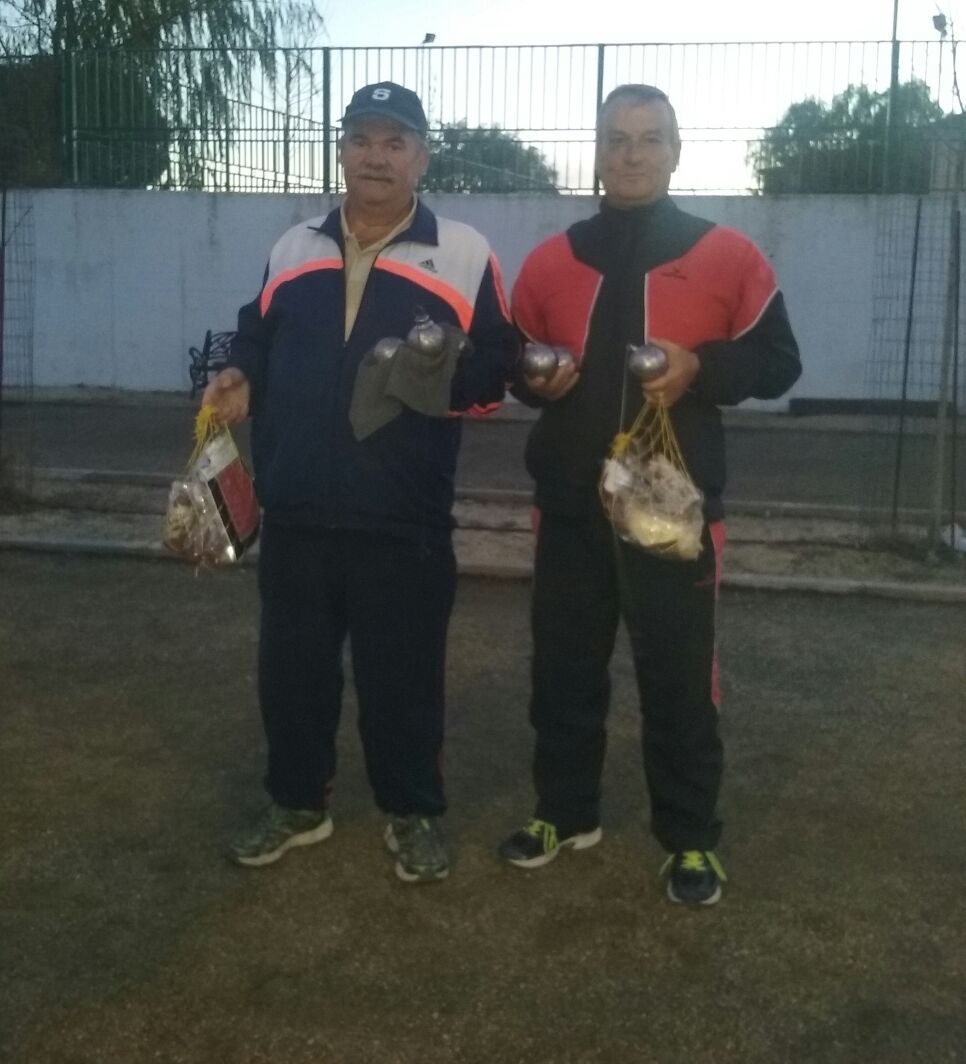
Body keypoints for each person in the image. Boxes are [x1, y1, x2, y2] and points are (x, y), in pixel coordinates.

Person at [204, 81, 516, 883]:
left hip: (401, 513)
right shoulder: (292, 246)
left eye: (394, 141)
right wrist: (239, 375)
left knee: (403, 677)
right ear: (341, 150)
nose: (376, 156)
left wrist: (441, 370)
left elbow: (496, 371)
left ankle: (413, 813)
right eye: (361, 140)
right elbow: (255, 339)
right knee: (291, 671)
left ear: (422, 155)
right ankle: (296, 803)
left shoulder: (465, 252)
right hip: (299, 502)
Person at [499, 84, 801, 904]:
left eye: (649, 138)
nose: (632, 153)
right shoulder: (552, 259)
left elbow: (780, 362)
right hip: (568, 504)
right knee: (563, 672)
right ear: (595, 150)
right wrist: (541, 376)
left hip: (674, 509)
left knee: (677, 679)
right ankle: (565, 813)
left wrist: (703, 366)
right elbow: (514, 358)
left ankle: (691, 839)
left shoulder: (726, 254)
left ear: (676, 150)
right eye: (617, 138)